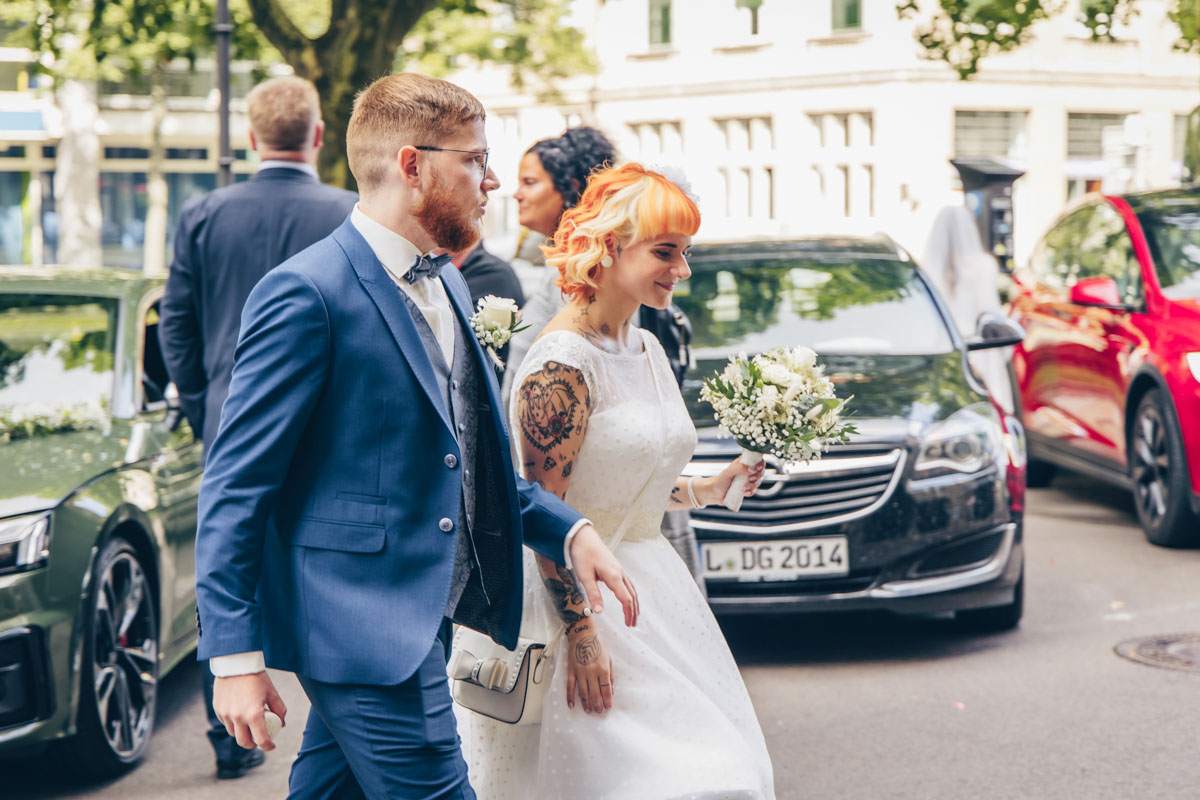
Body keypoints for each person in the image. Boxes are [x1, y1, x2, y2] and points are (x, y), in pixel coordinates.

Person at [193, 73, 638, 799]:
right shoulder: (306, 293)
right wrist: (234, 656)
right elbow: (237, 485)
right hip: (361, 629)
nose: (492, 180)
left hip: (423, 619)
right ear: (412, 165)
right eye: (474, 159)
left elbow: (467, 460)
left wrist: (567, 528)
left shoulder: (451, 284)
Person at [456, 164, 776, 799]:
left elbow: (631, 480)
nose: (680, 270)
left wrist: (710, 487)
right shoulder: (561, 364)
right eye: (665, 252)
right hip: (579, 604)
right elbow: (541, 508)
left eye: (685, 253)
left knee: (725, 770)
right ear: (607, 245)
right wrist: (580, 635)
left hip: (656, 595)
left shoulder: (647, 347)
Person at [157, 74, 356, 780]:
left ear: (250, 137)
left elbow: (175, 323)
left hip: (227, 419)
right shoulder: (350, 211)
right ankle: (344, 698)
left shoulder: (205, 213)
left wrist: (203, 399)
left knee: (229, 547)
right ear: (320, 136)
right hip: (333, 430)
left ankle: (232, 732)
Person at [501, 126, 616, 408]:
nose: (517, 194)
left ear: (571, 187)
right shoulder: (558, 261)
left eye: (529, 182)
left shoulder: (579, 270)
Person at [922, 204, 1015, 413]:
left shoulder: (928, 269)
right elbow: (990, 311)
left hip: (942, 348)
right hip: (978, 348)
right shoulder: (984, 266)